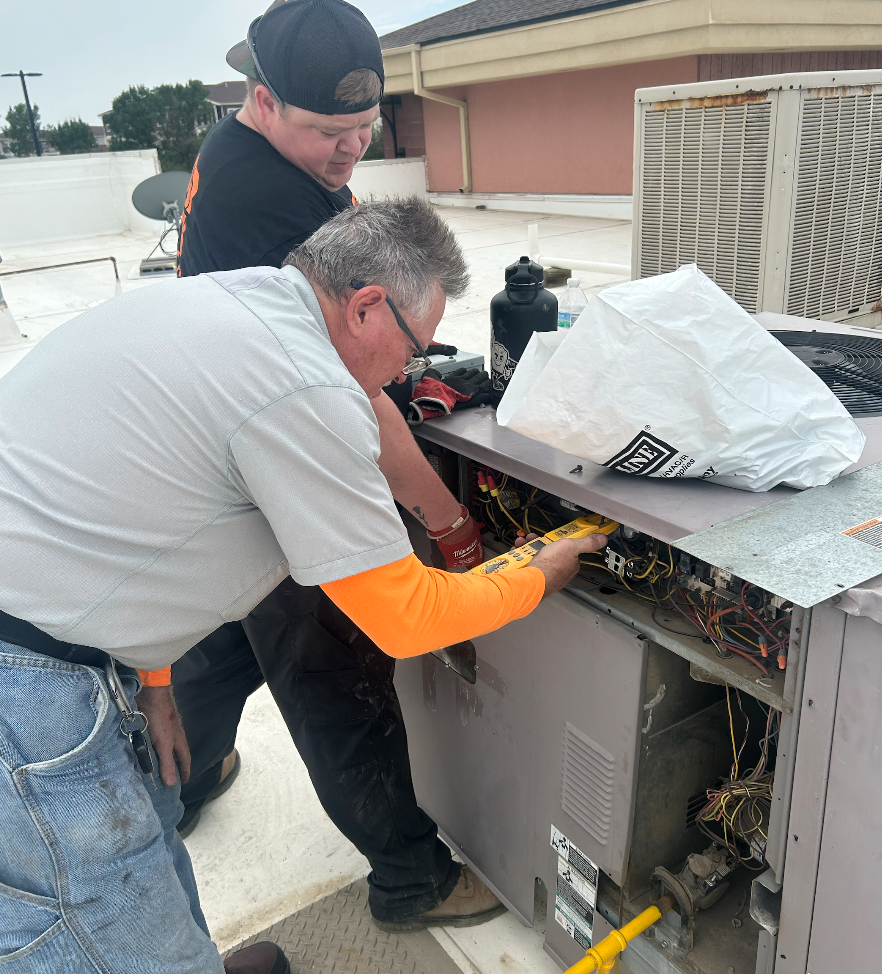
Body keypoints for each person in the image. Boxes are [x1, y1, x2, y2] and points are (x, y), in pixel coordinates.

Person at [0, 198, 608, 974]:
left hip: (58, 636)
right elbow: (410, 620)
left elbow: (118, 508)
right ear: (364, 307)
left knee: (143, 851)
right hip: (29, 687)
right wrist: (542, 572)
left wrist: (153, 679)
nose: (405, 375)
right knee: (91, 912)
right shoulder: (300, 384)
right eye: (414, 351)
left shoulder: (236, 299)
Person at [173, 0, 491, 931]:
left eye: (365, 129)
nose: (350, 151)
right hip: (273, 466)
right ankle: (411, 878)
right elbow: (350, 393)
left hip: (226, 452)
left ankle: (190, 776)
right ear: (261, 100)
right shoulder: (261, 196)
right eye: (328, 132)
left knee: (226, 634)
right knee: (332, 670)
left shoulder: (266, 159)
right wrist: (449, 522)